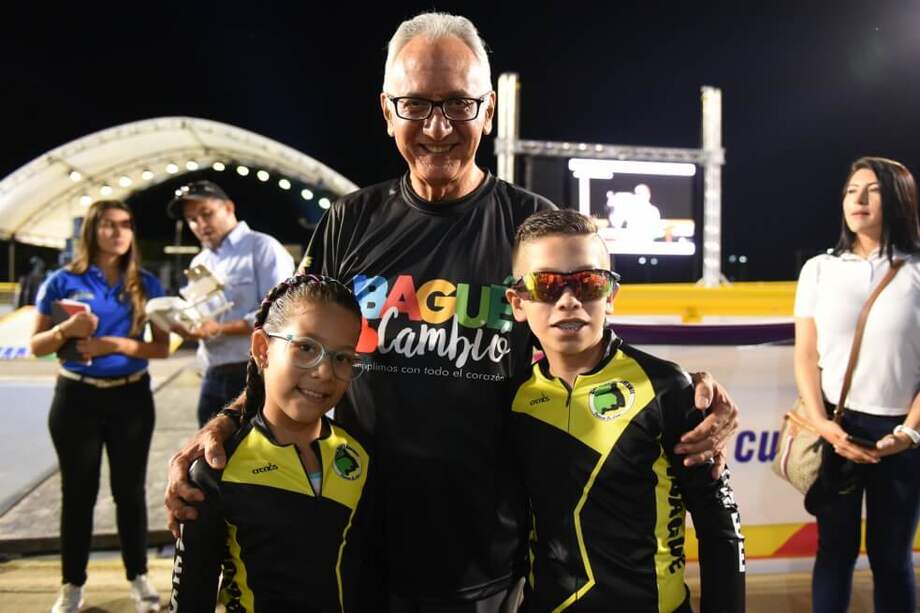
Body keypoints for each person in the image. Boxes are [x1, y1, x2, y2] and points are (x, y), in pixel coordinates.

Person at [165, 12, 739, 612]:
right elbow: (289, 344)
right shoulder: (349, 223)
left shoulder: (531, 228)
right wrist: (230, 421)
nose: (437, 128)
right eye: (416, 105)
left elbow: (593, 353)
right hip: (350, 552)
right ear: (388, 112)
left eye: (458, 106)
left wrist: (689, 398)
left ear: (487, 111)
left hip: (486, 563)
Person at [506, 209, 745, 612]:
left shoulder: (668, 389)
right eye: (546, 285)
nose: (568, 301)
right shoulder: (511, 398)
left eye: (588, 283)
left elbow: (722, 528)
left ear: (611, 296)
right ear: (517, 302)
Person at [169, 274, 375, 611]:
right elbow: (190, 599)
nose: (324, 372)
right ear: (263, 349)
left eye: (342, 358)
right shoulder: (216, 469)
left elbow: (368, 580)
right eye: (306, 348)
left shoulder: (359, 458)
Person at [793, 156, 920, 613]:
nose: (858, 200)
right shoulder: (819, 270)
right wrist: (823, 425)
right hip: (836, 429)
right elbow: (806, 356)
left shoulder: (916, 270)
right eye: (851, 191)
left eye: (872, 190)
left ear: (900, 198)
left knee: (892, 558)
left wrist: (908, 433)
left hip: (903, 438)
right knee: (834, 553)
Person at [31, 200, 169, 613]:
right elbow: (37, 347)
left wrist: (117, 344)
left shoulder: (146, 284)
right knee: (78, 494)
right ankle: (71, 586)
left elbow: (161, 348)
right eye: (108, 225)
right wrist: (65, 329)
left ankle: (139, 577)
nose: (117, 232)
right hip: (76, 399)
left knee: (130, 493)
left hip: (131, 398)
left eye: (125, 224)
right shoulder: (61, 281)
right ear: (91, 231)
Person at [166, 180, 295, 426]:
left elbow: (282, 312)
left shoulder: (262, 248)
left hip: (256, 373)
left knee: (258, 458)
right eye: (192, 219)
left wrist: (220, 329)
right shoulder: (200, 262)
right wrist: (183, 325)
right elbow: (201, 318)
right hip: (212, 374)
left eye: (206, 213)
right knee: (211, 458)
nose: (200, 224)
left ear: (228, 208)